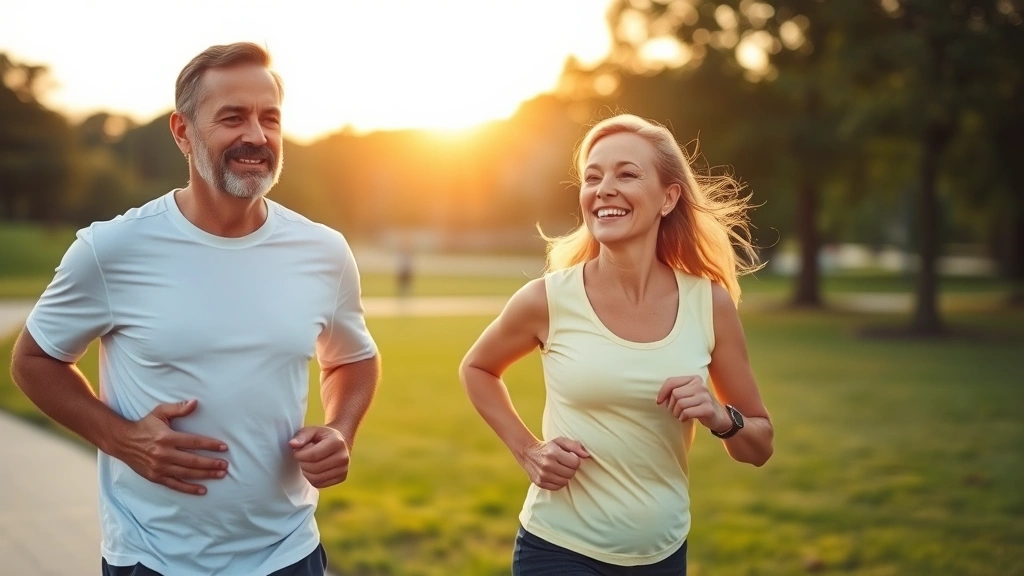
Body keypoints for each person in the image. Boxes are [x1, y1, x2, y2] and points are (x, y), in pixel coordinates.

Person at [9, 42, 381, 576]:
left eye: (269, 118)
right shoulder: (111, 250)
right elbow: (33, 361)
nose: (256, 135)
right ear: (183, 131)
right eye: (233, 117)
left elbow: (352, 358)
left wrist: (342, 427)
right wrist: (121, 439)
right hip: (154, 559)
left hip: (289, 555)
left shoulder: (323, 251)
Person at [459, 114, 774, 575]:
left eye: (626, 173)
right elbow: (477, 368)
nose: (603, 188)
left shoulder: (709, 304)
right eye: (592, 177)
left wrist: (717, 414)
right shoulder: (547, 299)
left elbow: (759, 446)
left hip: (663, 555)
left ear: (669, 198)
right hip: (557, 549)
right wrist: (528, 450)